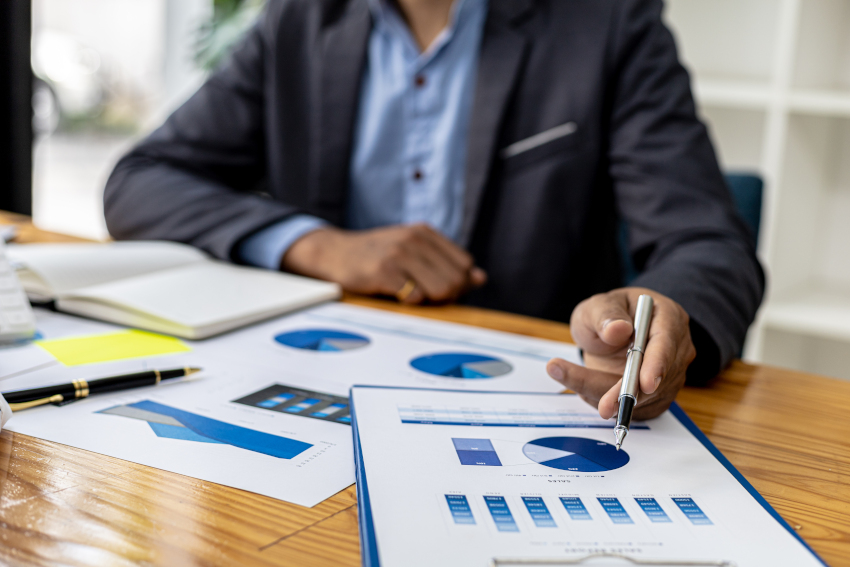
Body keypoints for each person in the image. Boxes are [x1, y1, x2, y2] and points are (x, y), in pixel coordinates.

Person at [103, 0, 764, 421]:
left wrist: (662, 314)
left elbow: (706, 241)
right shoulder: (298, 22)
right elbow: (140, 179)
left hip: (538, 398)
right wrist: (319, 246)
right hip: (317, 384)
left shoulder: (608, 23)